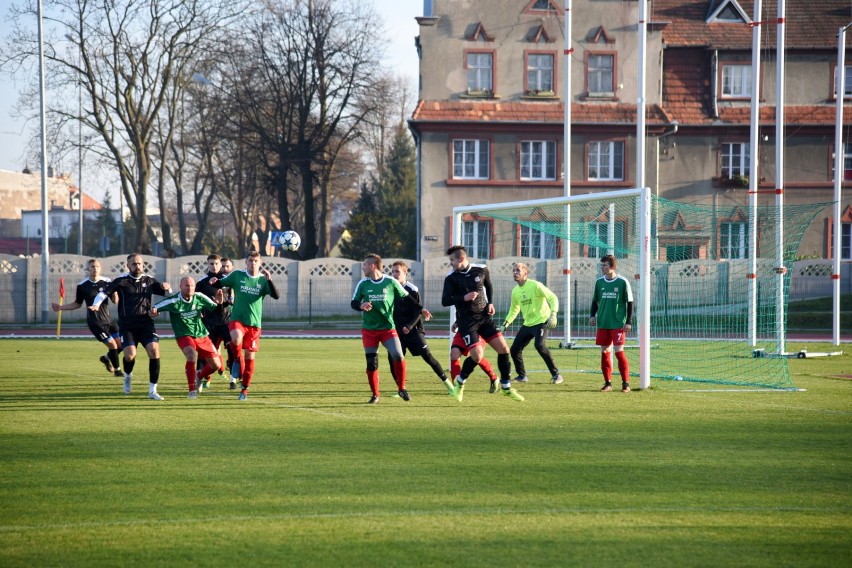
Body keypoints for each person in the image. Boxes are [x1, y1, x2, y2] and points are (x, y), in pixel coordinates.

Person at [441, 245, 523, 402]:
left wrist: (490, 303)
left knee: (504, 348)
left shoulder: (481, 269)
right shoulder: (451, 277)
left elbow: (489, 285)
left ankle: (506, 387)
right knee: (477, 356)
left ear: (461, 259)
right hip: (467, 322)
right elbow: (445, 301)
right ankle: (459, 383)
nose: (450, 263)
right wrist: (463, 298)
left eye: (452, 260)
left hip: (484, 318)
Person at [90, 253, 172, 400]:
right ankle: (127, 376)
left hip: (146, 324)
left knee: (154, 351)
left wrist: (167, 288)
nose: (137, 266)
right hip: (127, 326)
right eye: (134, 264)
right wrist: (96, 304)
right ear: (128, 265)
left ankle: (152, 391)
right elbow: (104, 294)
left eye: (139, 263)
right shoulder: (122, 281)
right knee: (130, 355)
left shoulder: (149, 280)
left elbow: (166, 294)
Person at [351, 254, 422, 404]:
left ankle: (402, 388)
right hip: (369, 330)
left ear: (372, 266)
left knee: (398, 355)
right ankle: (375, 394)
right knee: (372, 363)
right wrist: (361, 306)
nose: (362, 268)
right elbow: (354, 302)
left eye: (364, 265)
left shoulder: (391, 282)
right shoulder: (363, 284)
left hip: (388, 329)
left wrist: (421, 309)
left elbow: (408, 298)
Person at [212, 251, 280, 400]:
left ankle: (245, 389)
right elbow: (220, 283)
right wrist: (214, 282)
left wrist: (270, 280)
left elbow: (276, 296)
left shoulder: (263, 280)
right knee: (235, 339)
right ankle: (236, 358)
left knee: (249, 356)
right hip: (238, 319)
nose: (253, 263)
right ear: (246, 262)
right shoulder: (237, 275)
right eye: (250, 261)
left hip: (254, 325)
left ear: (260, 263)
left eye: (256, 261)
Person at [388, 261, 454, 395]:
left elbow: (418, 311)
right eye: (393, 271)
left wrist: (409, 325)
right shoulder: (389, 288)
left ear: (405, 273)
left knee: (428, 357)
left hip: (414, 329)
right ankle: (401, 389)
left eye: (397, 272)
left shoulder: (412, 289)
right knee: (394, 359)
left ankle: (449, 385)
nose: (394, 274)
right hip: (397, 331)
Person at [151, 276, 223, 398]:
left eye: (192, 285)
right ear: (180, 286)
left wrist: (219, 301)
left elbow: (216, 308)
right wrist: (153, 311)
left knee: (216, 365)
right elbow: (155, 307)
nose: (190, 288)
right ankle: (192, 390)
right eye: (187, 285)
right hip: (184, 335)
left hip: (202, 334)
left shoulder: (199, 297)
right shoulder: (174, 301)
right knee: (191, 355)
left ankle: (199, 376)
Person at [51, 258, 123, 377]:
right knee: (113, 345)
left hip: (108, 321)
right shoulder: (82, 286)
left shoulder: (107, 282)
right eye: (92, 267)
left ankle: (106, 358)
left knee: (121, 345)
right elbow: (78, 304)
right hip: (95, 322)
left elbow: (115, 301)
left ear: (100, 268)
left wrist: (115, 291)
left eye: (97, 267)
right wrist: (61, 307)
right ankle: (118, 371)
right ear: (88, 269)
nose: (95, 269)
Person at [502, 262, 563, 385]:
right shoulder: (515, 291)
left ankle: (557, 375)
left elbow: (553, 298)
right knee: (514, 349)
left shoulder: (535, 285)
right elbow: (514, 309)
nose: (515, 273)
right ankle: (522, 376)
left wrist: (553, 314)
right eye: (513, 270)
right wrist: (505, 324)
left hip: (542, 321)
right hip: (528, 324)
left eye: (518, 270)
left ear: (525, 273)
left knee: (539, 345)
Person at [590, 254, 634, 393]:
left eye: (605, 265)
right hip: (603, 323)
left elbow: (630, 303)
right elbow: (595, 301)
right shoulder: (599, 282)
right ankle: (607, 383)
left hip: (618, 324)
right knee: (604, 352)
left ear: (612, 267)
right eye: (601, 265)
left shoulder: (622, 282)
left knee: (619, 352)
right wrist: (592, 315)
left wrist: (628, 322)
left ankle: (625, 384)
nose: (602, 268)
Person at [195, 254, 233, 388]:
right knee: (204, 352)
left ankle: (234, 378)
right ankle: (201, 378)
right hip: (209, 323)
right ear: (208, 264)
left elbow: (232, 300)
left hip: (225, 321)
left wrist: (227, 301)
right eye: (211, 264)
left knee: (233, 348)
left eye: (217, 264)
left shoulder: (228, 280)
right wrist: (198, 312)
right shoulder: (201, 283)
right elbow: (196, 300)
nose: (214, 266)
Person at [450, 319, 499, 393]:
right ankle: (457, 386)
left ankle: (494, 378)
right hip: (463, 329)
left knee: (477, 356)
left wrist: (489, 307)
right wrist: (457, 322)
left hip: (478, 329)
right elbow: (462, 311)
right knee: (454, 354)